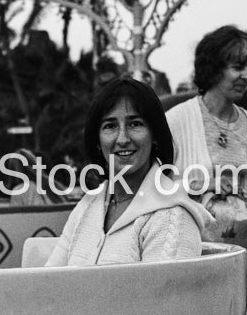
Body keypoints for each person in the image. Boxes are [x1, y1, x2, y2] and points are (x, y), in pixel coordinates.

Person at [166, 25, 247, 303]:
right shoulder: (176, 120)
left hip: (243, 266)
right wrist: (203, 182)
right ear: (213, 68)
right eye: (238, 67)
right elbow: (155, 188)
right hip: (192, 266)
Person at [45, 76, 211, 267]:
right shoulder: (87, 206)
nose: (122, 139)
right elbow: (48, 278)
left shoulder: (173, 217)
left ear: (155, 135)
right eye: (110, 126)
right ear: (97, 142)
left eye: (135, 124)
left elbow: (164, 287)